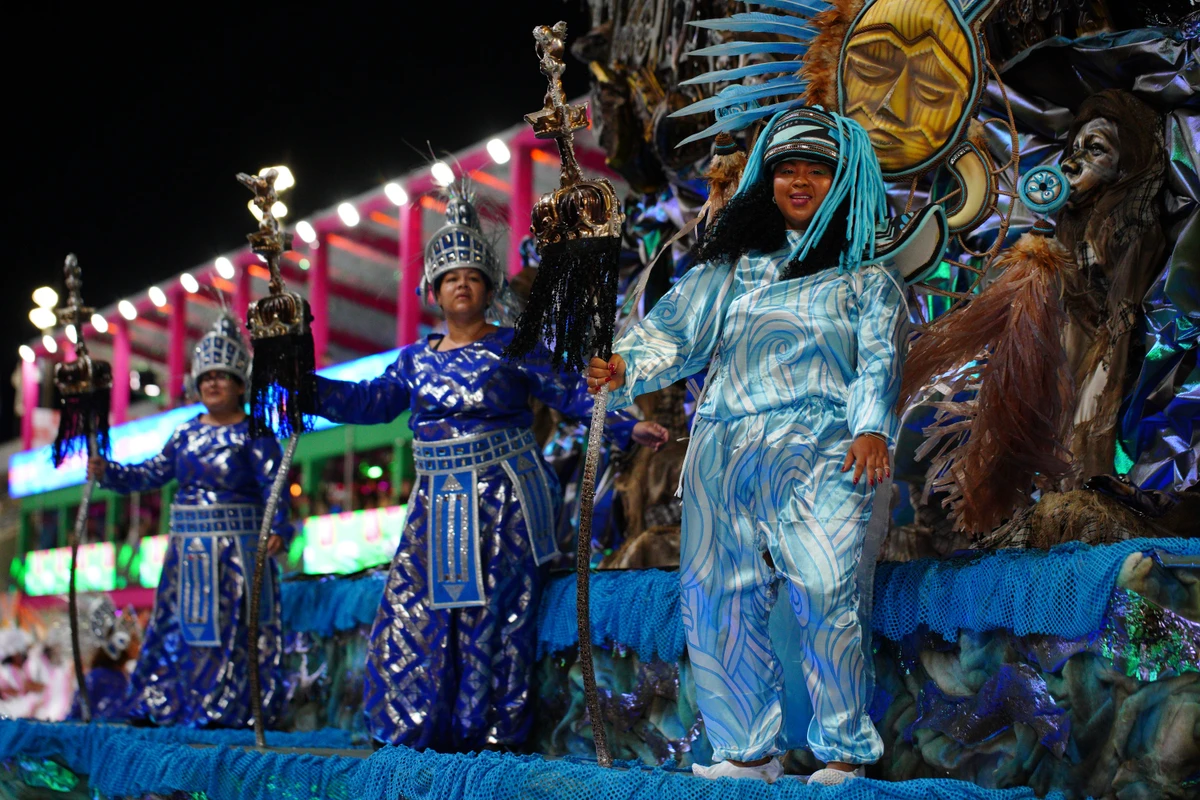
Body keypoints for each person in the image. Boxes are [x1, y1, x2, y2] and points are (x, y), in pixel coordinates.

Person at [589, 106, 904, 785]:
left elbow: (879, 362)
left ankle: (843, 752)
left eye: (815, 171)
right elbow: (674, 332)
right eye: (786, 169)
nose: (798, 182)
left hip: (822, 446)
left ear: (841, 182)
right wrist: (623, 367)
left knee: (825, 586)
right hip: (725, 443)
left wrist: (871, 425)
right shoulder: (731, 268)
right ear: (767, 181)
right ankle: (746, 752)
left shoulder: (866, 281)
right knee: (715, 597)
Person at [310, 185, 668, 750]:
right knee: (413, 612)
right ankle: (416, 732)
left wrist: (627, 424)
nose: (461, 283)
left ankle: (494, 734)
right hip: (434, 506)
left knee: (498, 616)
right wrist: (302, 387)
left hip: (503, 500)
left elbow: (571, 392)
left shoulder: (514, 346)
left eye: (472, 275)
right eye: (449, 275)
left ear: (489, 287)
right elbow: (366, 405)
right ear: (433, 289)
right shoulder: (414, 360)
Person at [87, 314, 292, 728]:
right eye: (206, 377)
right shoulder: (184, 435)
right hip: (188, 553)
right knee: (178, 628)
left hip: (238, 552)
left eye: (223, 376)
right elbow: (150, 473)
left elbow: (276, 484)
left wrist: (279, 528)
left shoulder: (255, 431)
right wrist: (108, 472)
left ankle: (231, 710)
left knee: (236, 631)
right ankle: (162, 703)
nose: (214, 383)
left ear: (240, 383)